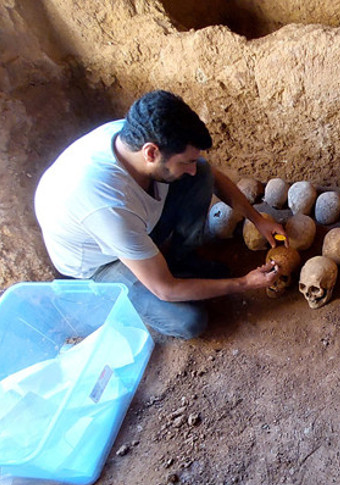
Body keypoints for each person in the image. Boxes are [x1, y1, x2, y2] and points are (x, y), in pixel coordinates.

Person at [35, 90, 285, 339]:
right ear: (151, 153)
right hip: (104, 262)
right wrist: (243, 283)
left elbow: (209, 174)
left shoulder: (134, 136)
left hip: (136, 226)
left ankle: (181, 260)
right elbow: (166, 290)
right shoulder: (108, 205)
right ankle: (136, 296)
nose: (190, 168)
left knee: (203, 173)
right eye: (184, 161)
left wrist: (258, 219)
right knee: (188, 321)